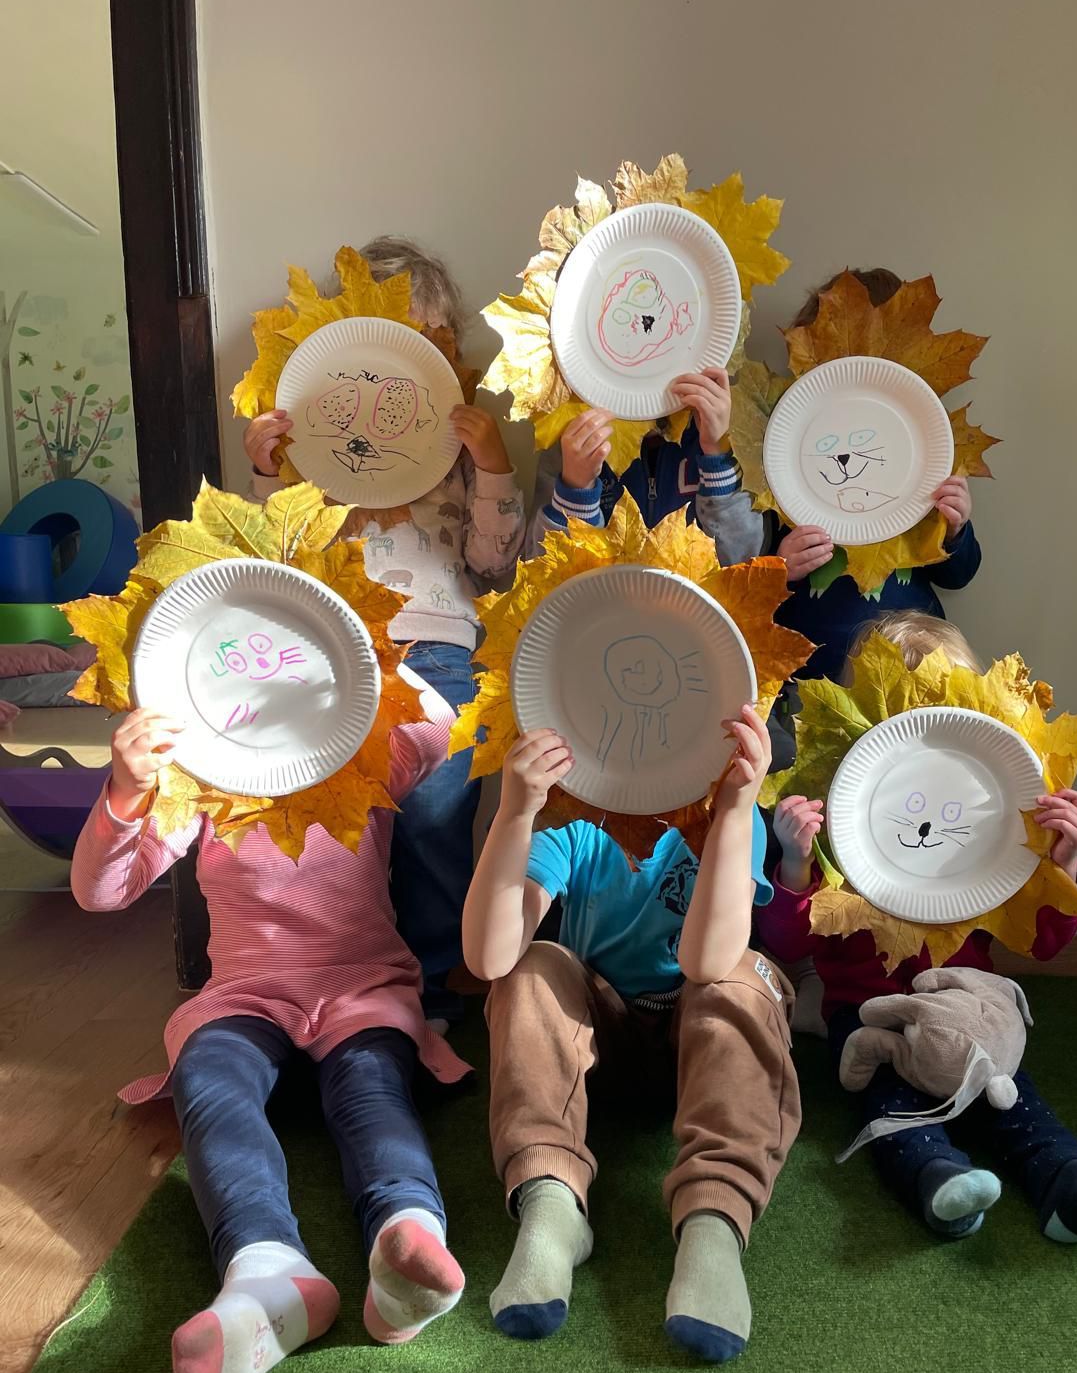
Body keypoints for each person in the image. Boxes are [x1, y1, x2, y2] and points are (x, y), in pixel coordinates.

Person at [71, 677, 471, 1373]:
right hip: (246, 994)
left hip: (360, 987)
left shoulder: (367, 748)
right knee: (211, 1081)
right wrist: (128, 789)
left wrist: (364, 651)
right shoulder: (205, 772)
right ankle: (265, 1267)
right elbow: (101, 892)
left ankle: (404, 1235)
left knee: (373, 1091)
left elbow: (444, 726)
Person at [758, 610, 1077, 1243]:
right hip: (871, 1013)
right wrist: (794, 861)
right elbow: (786, 943)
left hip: (972, 1005)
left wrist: (1065, 862)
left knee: (1009, 1093)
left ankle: (1070, 1182)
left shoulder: (992, 822)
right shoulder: (836, 808)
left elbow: (1045, 943)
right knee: (894, 1099)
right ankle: (938, 1180)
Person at [461, 707, 801, 1364]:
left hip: (698, 1045)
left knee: (741, 979)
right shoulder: (580, 824)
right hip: (601, 1045)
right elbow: (488, 957)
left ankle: (713, 1221)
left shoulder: (732, 815)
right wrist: (516, 814)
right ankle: (551, 1202)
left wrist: (732, 812)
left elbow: (705, 963)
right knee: (531, 965)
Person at [243, 236, 524, 1022]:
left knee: (435, 812)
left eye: (422, 340)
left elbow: (495, 565)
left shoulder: (459, 445)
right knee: (345, 819)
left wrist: (492, 460)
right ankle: (355, 975)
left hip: (439, 644)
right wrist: (271, 472)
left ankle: (435, 983)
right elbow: (286, 562)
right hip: (341, 647)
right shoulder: (319, 440)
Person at [770, 267, 982, 693]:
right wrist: (780, 567)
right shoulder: (785, 451)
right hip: (808, 676)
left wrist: (956, 528)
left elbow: (960, 575)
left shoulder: (925, 456)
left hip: (912, 669)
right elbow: (749, 575)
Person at [523, 367, 762, 565]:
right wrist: (577, 490)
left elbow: (742, 566)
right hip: (602, 615)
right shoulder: (571, 441)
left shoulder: (730, 433)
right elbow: (543, 576)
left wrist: (717, 454)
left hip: (694, 616)